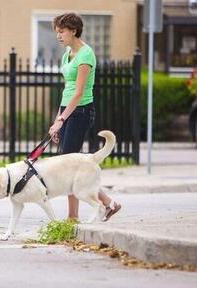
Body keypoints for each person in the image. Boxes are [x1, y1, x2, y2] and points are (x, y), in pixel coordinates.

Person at [48, 12, 121, 221]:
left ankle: (73, 218)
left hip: (81, 112)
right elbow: (67, 90)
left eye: (61, 32)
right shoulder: (68, 54)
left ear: (73, 30)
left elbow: (79, 92)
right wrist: (57, 120)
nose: (58, 36)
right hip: (68, 111)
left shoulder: (86, 55)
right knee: (71, 165)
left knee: (70, 166)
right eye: (57, 32)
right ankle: (109, 203)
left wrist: (62, 119)